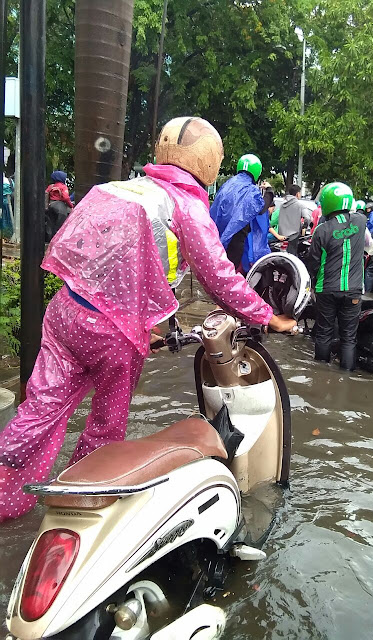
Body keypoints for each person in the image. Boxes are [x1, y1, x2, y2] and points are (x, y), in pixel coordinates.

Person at [0, 117, 295, 522]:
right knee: (106, 425)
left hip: (65, 313)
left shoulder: (117, 188)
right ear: (207, 161)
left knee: (40, 409)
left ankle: (6, 499)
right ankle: (82, 503)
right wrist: (268, 316)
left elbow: (111, 264)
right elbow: (219, 278)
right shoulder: (187, 205)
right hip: (113, 334)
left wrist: (156, 327)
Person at [307, 181, 373, 371]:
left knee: (324, 334)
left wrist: (312, 285)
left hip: (326, 290)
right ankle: (346, 377)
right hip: (353, 291)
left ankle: (320, 374)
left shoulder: (321, 231)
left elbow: (313, 263)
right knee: (349, 338)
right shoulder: (361, 221)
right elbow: (371, 247)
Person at [210, 153, 265, 269]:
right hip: (236, 239)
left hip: (217, 237)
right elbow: (260, 208)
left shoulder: (226, 185)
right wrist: (269, 191)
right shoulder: (251, 190)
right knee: (229, 273)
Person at [45, 170, 74, 242]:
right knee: (60, 223)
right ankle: (58, 239)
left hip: (50, 205)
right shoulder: (63, 187)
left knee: (51, 223)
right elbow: (66, 198)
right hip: (60, 207)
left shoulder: (51, 186)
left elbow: (46, 193)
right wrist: (71, 206)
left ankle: (49, 239)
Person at [278, 184, 303, 255]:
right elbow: (307, 218)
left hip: (282, 236)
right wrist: (303, 226)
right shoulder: (299, 205)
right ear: (297, 194)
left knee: (283, 255)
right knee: (292, 257)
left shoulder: (282, 205)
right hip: (294, 236)